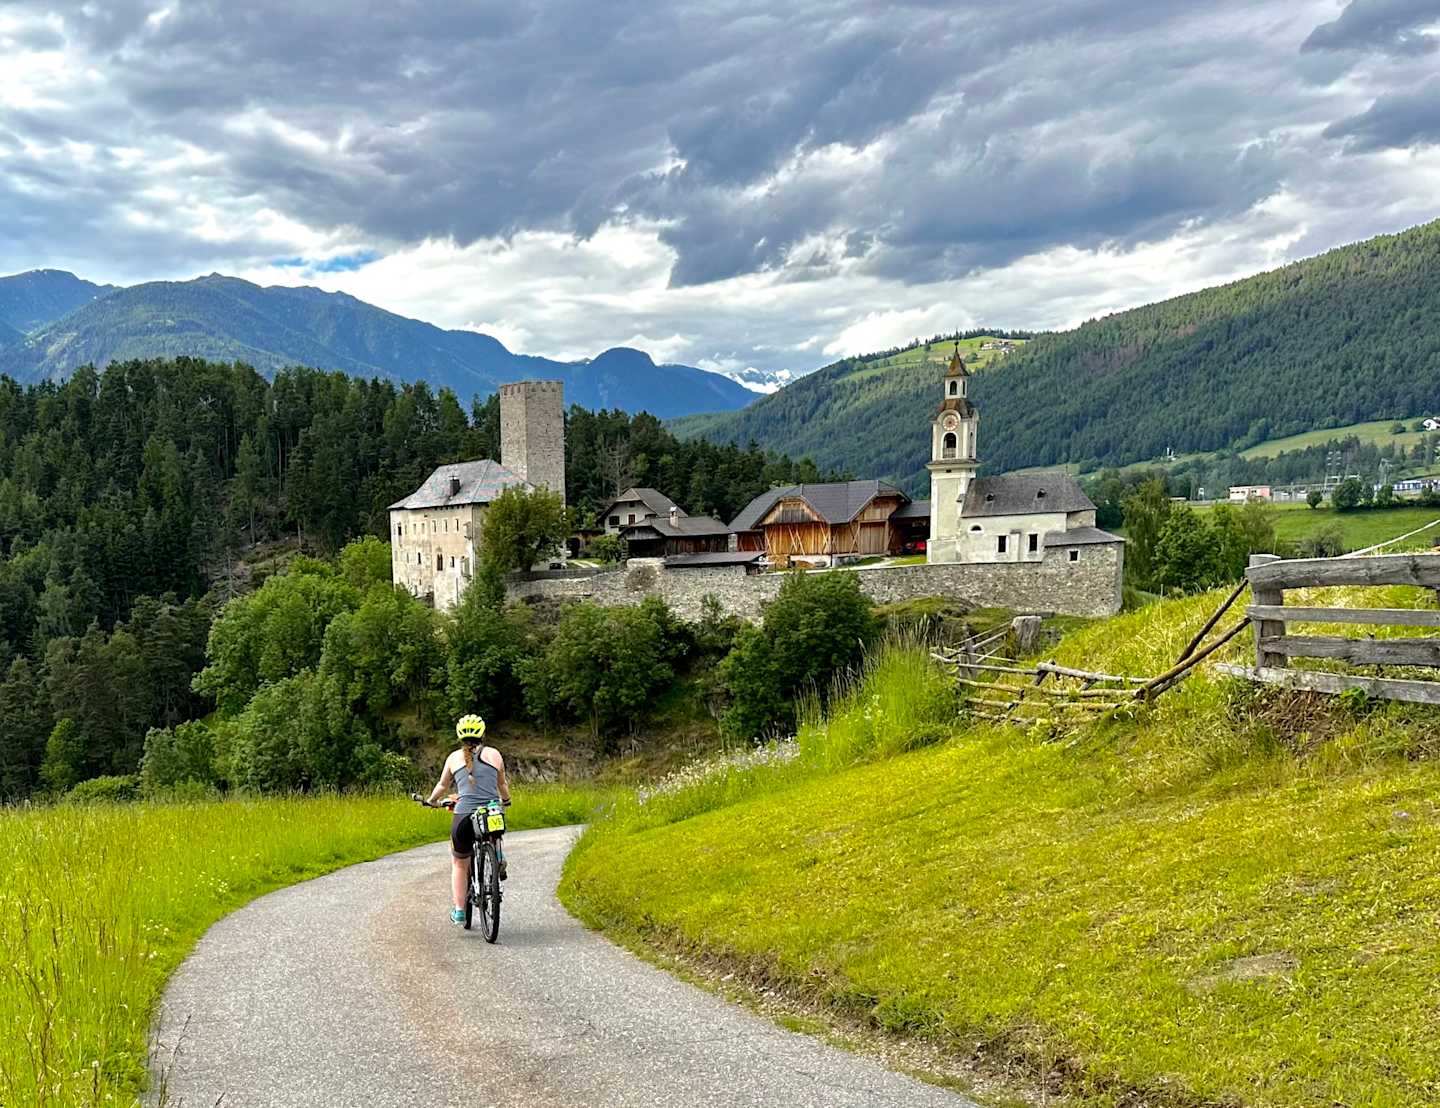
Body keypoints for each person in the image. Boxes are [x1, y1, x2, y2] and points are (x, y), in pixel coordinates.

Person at [425, 713, 511, 925]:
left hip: (464, 816)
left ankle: (460, 910)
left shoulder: (454, 758)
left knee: (459, 864)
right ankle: (497, 855)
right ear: (483, 734)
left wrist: (431, 800)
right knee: (495, 825)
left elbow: (443, 786)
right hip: (491, 813)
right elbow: (502, 784)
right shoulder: (494, 754)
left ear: (459, 736)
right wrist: (506, 800)